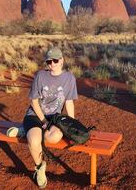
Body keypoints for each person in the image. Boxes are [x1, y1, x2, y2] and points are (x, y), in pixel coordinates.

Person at [21, 47, 78, 189]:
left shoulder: (69, 78)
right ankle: (39, 167)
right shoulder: (41, 76)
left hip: (55, 117)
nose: (52, 64)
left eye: (55, 61)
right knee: (34, 140)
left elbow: (69, 102)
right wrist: (44, 122)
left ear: (62, 61)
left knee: (53, 137)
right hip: (35, 115)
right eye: (49, 61)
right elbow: (34, 101)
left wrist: (71, 125)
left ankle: (25, 131)